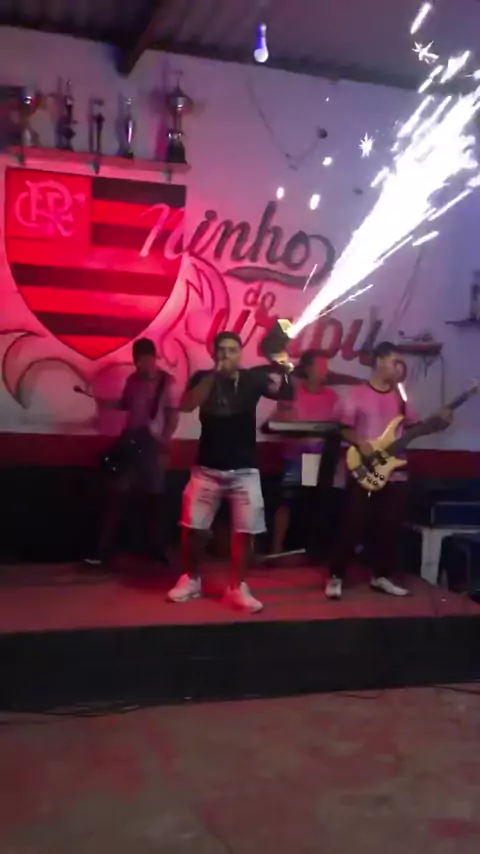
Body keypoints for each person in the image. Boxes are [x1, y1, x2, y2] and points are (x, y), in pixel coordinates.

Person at [167, 331, 293, 613]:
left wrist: (286, 368)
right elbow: (187, 405)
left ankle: (238, 587)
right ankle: (191, 579)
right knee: (193, 529)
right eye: (222, 350)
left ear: (240, 353)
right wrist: (215, 375)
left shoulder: (252, 379)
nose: (227, 355)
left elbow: (285, 395)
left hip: (244, 470)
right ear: (214, 354)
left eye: (233, 350)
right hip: (206, 469)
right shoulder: (203, 378)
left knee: (245, 531)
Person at [326, 341, 452, 600]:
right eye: (395, 362)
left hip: (395, 472)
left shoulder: (401, 400)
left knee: (389, 526)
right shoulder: (357, 394)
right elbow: (342, 427)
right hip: (364, 468)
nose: (399, 368)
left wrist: (440, 423)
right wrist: (361, 443)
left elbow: (415, 428)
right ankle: (337, 575)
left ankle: (381, 576)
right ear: (379, 361)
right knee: (353, 522)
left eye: (400, 364)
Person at [84, 338, 178, 566]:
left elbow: (173, 415)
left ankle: (156, 548)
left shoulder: (168, 382)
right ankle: (103, 549)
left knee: (155, 497)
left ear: (153, 357)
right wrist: (107, 404)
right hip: (131, 439)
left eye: (143, 360)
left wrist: (165, 441)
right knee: (117, 493)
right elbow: (125, 404)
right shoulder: (133, 380)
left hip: (152, 442)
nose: (140, 365)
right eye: (137, 361)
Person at [269, 350, 340, 558]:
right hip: (296, 457)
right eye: (321, 366)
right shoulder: (293, 393)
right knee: (286, 501)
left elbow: (339, 428)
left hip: (320, 459)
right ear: (308, 369)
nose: (326, 370)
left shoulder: (332, 397)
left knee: (314, 504)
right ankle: (276, 549)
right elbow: (275, 423)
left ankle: (310, 549)